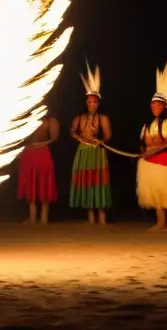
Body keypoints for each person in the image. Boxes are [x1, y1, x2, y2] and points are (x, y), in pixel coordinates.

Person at [69, 62, 112, 224]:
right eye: (89, 102)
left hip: (97, 152)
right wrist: (79, 138)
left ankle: (102, 218)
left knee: (98, 182)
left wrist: (101, 141)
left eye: (94, 102)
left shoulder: (103, 118)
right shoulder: (79, 118)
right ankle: (90, 219)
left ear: (98, 103)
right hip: (83, 152)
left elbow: (108, 135)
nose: (91, 104)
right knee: (86, 181)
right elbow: (72, 131)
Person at [137, 60, 167, 231]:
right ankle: (161, 222)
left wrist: (154, 151)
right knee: (156, 195)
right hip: (149, 163)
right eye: (153, 104)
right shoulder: (147, 125)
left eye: (158, 104)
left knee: (166, 193)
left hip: (165, 162)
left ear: (165, 106)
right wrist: (143, 153)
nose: (155, 106)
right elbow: (142, 143)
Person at [17, 113, 59, 224]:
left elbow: (54, 136)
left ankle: (44, 218)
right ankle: (33, 218)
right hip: (30, 153)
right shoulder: (29, 119)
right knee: (31, 183)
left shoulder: (51, 119)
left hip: (42, 153)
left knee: (44, 182)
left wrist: (44, 143)